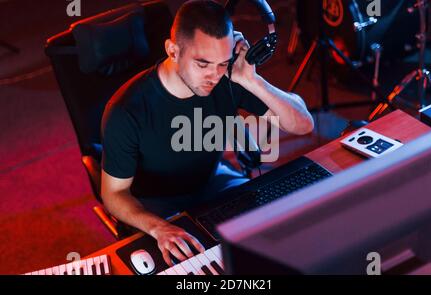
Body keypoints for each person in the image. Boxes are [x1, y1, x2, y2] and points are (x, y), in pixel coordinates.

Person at [100, 0, 314, 266]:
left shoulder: (227, 79)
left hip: (212, 186)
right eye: (203, 64)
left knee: (283, 239)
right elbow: (114, 193)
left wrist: (251, 81)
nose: (214, 76)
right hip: (157, 207)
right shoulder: (127, 110)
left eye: (223, 63)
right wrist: (158, 228)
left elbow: (304, 125)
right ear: (173, 51)